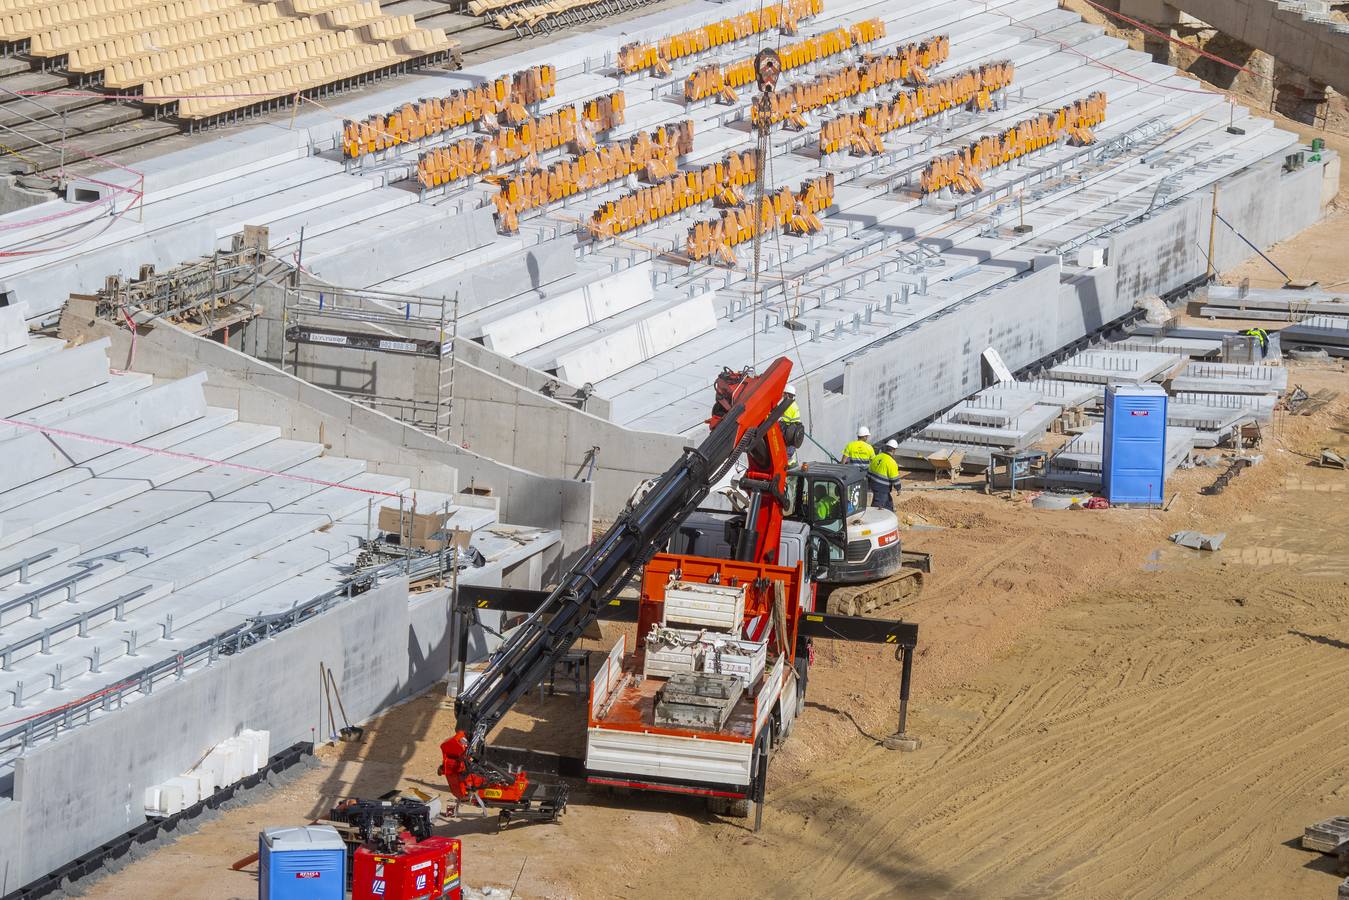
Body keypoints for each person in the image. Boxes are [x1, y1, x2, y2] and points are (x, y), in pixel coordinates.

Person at [867, 439, 901, 511]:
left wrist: (868, 483)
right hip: (882, 488)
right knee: (878, 506)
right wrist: (898, 488)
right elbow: (894, 478)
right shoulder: (891, 462)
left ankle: (890, 512)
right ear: (894, 450)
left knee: (888, 503)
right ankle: (875, 518)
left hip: (874, 484)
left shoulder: (877, 457)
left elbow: (869, 472)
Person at [780, 383, 805, 464]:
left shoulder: (788, 405)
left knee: (786, 454)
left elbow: (781, 416)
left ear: (787, 394)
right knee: (789, 453)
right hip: (793, 432)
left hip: (789, 431)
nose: (782, 395)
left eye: (783, 393)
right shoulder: (793, 404)